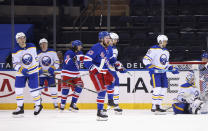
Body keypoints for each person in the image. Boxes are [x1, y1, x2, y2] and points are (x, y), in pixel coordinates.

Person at [142, 34, 179, 113]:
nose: (166, 43)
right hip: (155, 72)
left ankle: (158, 105)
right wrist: (150, 67)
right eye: (164, 41)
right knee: (157, 88)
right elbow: (145, 60)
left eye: (166, 41)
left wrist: (172, 68)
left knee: (164, 89)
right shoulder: (153, 49)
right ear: (160, 41)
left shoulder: (166, 51)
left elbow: (166, 64)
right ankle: (154, 105)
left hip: (163, 73)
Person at [84, 31, 114, 121]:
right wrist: (94, 68)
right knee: (102, 91)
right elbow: (86, 60)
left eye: (109, 38)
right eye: (106, 38)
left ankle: (110, 101)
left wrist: (116, 64)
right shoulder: (96, 47)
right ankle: (99, 111)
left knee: (112, 80)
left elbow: (110, 60)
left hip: (104, 72)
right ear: (101, 39)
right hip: (96, 73)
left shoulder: (109, 48)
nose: (108, 39)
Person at [12, 32, 42, 116]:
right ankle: (20, 107)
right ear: (17, 41)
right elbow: (15, 64)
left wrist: (35, 69)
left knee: (33, 90)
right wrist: (22, 69)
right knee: (18, 90)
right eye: (20, 38)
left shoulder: (32, 46)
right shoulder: (15, 51)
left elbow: (35, 60)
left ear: (25, 38)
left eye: (23, 37)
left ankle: (38, 105)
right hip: (21, 73)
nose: (22, 39)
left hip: (33, 72)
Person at [60, 40, 84, 112]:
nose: (81, 47)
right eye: (79, 45)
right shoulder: (69, 52)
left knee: (80, 86)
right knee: (65, 90)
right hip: (67, 73)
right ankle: (62, 105)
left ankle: (73, 104)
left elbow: (83, 61)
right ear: (75, 46)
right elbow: (67, 62)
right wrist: (73, 59)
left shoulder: (80, 53)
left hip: (76, 74)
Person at [106, 32, 127, 114]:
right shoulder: (113, 49)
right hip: (110, 70)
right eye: (115, 39)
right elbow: (113, 60)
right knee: (116, 85)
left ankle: (109, 105)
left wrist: (118, 67)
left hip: (106, 69)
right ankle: (115, 105)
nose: (116, 41)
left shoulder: (104, 48)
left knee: (110, 87)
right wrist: (120, 67)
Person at [37, 38, 60, 109]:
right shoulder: (37, 53)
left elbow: (57, 62)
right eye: (42, 44)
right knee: (38, 89)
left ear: (47, 44)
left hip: (50, 74)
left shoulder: (52, 52)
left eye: (45, 43)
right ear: (40, 45)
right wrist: (39, 69)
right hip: (41, 75)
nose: (43, 45)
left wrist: (53, 68)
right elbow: (35, 64)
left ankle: (55, 103)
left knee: (53, 89)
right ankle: (38, 103)